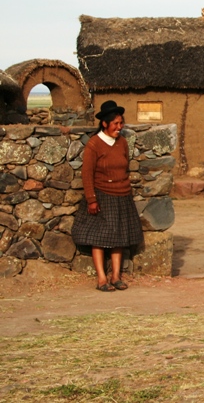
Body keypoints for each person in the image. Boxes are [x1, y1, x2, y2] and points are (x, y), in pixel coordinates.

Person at [71, 100, 143, 292]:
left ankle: (116, 276)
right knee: (100, 238)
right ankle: (101, 279)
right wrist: (92, 199)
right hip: (103, 195)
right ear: (105, 123)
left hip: (122, 195)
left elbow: (124, 167)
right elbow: (87, 173)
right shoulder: (94, 144)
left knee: (119, 237)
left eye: (121, 123)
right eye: (116, 124)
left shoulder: (122, 143)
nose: (119, 127)